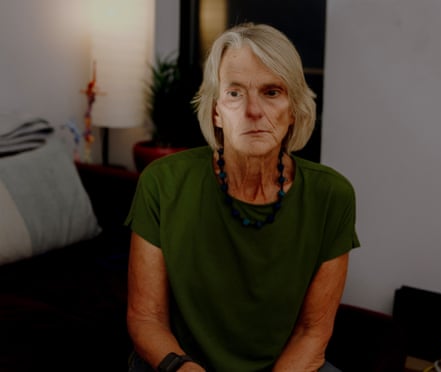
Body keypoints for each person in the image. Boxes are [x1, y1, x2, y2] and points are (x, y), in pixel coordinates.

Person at [125, 23, 360, 372]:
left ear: (293, 108)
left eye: (271, 92)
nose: (253, 111)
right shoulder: (163, 182)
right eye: (235, 93)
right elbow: (146, 318)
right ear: (216, 110)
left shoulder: (332, 196)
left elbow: (312, 333)